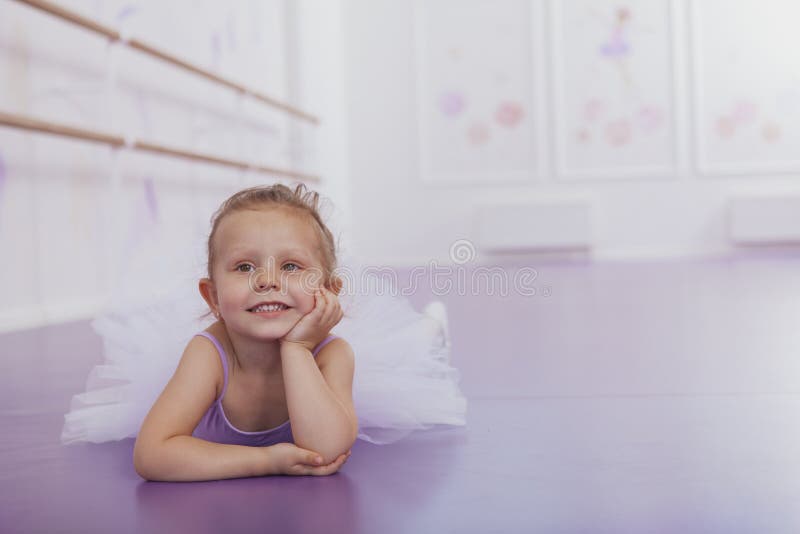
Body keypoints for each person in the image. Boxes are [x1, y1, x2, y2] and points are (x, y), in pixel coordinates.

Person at [61, 183, 467, 482]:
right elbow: (151, 455)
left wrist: (297, 348)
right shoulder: (208, 355)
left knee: (407, 352)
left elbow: (324, 450)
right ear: (213, 296)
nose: (267, 280)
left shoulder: (333, 354)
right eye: (244, 267)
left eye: (291, 266)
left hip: (328, 351)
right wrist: (266, 460)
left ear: (327, 291)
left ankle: (431, 328)